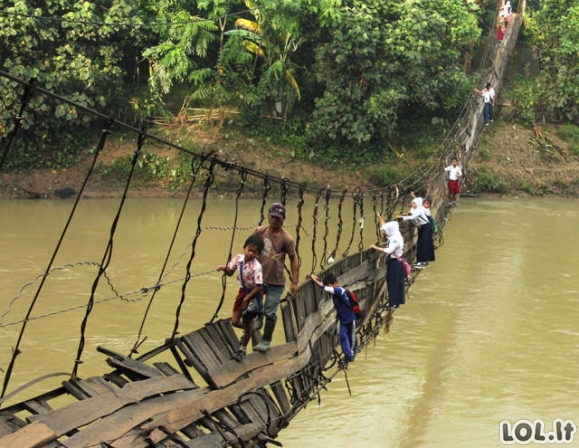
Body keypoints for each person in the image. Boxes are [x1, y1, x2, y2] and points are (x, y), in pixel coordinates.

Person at [252, 203, 299, 353]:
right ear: (268, 216)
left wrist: (294, 282)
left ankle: (266, 340)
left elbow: (293, 259)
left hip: (276, 282)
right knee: (254, 307)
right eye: (272, 217)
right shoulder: (259, 232)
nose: (275, 220)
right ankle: (258, 316)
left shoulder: (287, 239)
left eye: (278, 218)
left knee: (271, 313)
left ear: (283, 219)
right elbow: (248, 248)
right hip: (258, 279)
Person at [217, 234, 265, 361]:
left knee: (248, 317)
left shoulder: (257, 267)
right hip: (242, 291)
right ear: (244, 248)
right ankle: (251, 329)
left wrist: (246, 300)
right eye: (249, 250)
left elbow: (259, 287)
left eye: (254, 252)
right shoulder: (238, 259)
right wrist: (224, 269)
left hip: (254, 294)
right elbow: (230, 272)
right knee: (234, 321)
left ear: (258, 254)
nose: (250, 254)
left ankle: (242, 348)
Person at [310, 273, 356, 362]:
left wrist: (314, 279)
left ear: (334, 283)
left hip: (350, 317)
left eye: (330, 286)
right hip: (343, 319)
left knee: (351, 337)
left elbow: (325, 288)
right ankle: (348, 354)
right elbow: (325, 285)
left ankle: (351, 354)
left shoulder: (339, 290)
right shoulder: (335, 291)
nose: (330, 288)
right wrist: (317, 279)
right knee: (342, 336)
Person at [370, 215, 406, 309]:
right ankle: (397, 302)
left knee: (392, 282)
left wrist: (375, 247)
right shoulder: (397, 234)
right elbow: (384, 226)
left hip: (395, 263)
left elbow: (389, 250)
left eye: (386, 232)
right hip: (399, 261)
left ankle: (393, 304)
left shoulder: (394, 239)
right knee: (398, 282)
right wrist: (379, 218)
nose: (385, 233)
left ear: (390, 230)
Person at [397, 196, 434, 269]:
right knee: (421, 244)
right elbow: (411, 214)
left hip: (426, 227)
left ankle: (421, 263)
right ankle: (421, 261)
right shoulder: (416, 209)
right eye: (412, 203)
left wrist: (402, 217)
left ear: (418, 204)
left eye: (414, 203)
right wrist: (406, 214)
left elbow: (412, 217)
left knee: (422, 245)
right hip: (423, 228)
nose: (412, 204)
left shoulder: (420, 210)